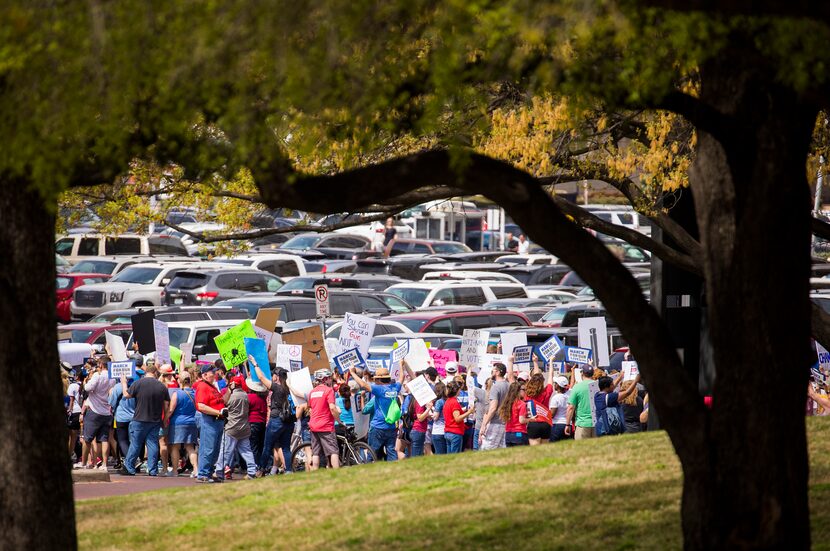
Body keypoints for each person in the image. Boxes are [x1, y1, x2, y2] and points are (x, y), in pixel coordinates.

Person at [350, 361, 413, 462]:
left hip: (378, 427)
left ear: (379, 379)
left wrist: (352, 373)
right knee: (391, 452)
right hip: (392, 427)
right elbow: (401, 378)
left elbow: (362, 384)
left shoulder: (379, 389)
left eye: (376, 380)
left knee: (372, 452)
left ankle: (368, 474)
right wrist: (401, 366)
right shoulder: (395, 388)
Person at [118, 365, 170, 476]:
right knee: (152, 444)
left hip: (139, 418)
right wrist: (165, 419)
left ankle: (129, 467)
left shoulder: (138, 383)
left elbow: (126, 395)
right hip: (155, 420)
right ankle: (153, 469)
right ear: (155, 373)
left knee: (136, 444)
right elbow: (166, 405)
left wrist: (123, 383)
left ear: (146, 373)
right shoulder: (162, 386)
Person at [252, 359, 294, 476]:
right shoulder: (289, 389)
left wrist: (255, 364)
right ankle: (289, 471)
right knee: (286, 448)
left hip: (276, 420)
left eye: (274, 375)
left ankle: (260, 470)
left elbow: (261, 378)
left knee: (267, 446)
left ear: (277, 377)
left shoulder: (277, 388)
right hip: (289, 421)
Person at [292, 369, 340, 471]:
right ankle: (337, 472)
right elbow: (332, 407)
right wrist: (339, 421)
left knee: (316, 452)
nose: (331, 380)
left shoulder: (312, 392)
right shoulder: (329, 390)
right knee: (333, 451)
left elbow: (310, 407)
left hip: (314, 425)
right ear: (325, 379)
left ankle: (315, 473)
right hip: (326, 425)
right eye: (330, 378)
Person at [216, 375, 258, 480]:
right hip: (244, 427)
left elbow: (224, 402)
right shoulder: (245, 395)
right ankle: (252, 471)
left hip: (232, 427)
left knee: (226, 451)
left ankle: (219, 471)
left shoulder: (233, 396)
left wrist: (229, 390)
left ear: (233, 384)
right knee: (247, 451)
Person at [193, 364, 228, 482]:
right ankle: (203, 473)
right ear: (204, 375)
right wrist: (218, 412)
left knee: (215, 449)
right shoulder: (203, 386)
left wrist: (229, 390)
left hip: (216, 420)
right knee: (208, 448)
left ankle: (209, 472)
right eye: (212, 372)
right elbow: (201, 406)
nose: (215, 374)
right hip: (209, 420)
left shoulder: (212, 386)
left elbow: (223, 400)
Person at [80, 356, 116, 470]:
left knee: (87, 439)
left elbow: (87, 388)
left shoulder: (98, 375)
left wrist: (86, 382)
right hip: (106, 412)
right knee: (104, 439)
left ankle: (84, 463)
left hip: (94, 411)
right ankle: (104, 464)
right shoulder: (113, 378)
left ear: (101, 364)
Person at [167, 371, 198, 477]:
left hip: (178, 422)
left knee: (175, 446)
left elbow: (171, 409)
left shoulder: (177, 393)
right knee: (190, 447)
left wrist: (165, 420)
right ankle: (196, 469)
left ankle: (175, 470)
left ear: (180, 380)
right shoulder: (195, 393)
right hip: (192, 422)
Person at [595, 372, 641, 437]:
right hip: (607, 430)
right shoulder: (609, 397)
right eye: (612, 384)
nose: (614, 386)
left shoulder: (597, 395)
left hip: (601, 429)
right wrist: (636, 380)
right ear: (606, 387)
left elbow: (611, 387)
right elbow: (627, 393)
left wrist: (620, 378)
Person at [523, 358, 554, 446]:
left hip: (533, 423)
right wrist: (551, 362)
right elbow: (551, 376)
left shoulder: (527, 394)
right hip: (546, 423)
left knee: (534, 451)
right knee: (545, 450)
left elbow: (536, 377)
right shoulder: (547, 391)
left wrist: (535, 362)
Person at [478, 362, 509, 450]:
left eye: (493, 370)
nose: (491, 372)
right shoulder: (508, 385)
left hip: (496, 422)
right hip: (505, 423)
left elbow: (493, 408)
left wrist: (484, 424)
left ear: (498, 372)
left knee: (486, 450)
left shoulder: (495, 387)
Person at [566, 365, 596, 439]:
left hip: (582, 424)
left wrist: (567, 424)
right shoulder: (598, 385)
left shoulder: (577, 387)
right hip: (597, 423)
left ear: (582, 373)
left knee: (582, 449)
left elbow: (571, 407)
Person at [443, 381, 474, 453]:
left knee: (449, 458)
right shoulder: (454, 402)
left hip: (448, 432)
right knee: (455, 457)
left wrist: (466, 410)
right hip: (455, 432)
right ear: (457, 390)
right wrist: (469, 412)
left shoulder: (448, 401)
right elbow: (457, 418)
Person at [246, 376, 268, 472]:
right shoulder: (263, 398)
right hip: (261, 423)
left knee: (253, 446)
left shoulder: (249, 397)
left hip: (252, 423)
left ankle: (255, 466)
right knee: (260, 445)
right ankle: (261, 465)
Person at [499, 381, 528, 446]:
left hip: (508, 434)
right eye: (523, 390)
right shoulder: (521, 404)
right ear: (518, 391)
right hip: (519, 433)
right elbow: (521, 420)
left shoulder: (507, 403)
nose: (525, 391)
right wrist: (531, 419)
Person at [66, 370, 84, 464]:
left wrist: (69, 410)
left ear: (77, 377)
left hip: (74, 412)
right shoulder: (85, 384)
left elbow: (71, 400)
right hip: (83, 412)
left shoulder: (72, 386)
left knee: (70, 437)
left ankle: (69, 455)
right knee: (76, 437)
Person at [549, 376, 571, 442]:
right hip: (567, 423)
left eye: (555, 383)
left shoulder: (556, 398)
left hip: (557, 424)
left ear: (558, 385)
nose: (554, 384)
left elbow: (552, 414)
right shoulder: (569, 395)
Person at [430, 381, 447, 454]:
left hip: (438, 430)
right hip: (446, 430)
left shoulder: (439, 402)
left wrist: (429, 411)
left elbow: (435, 417)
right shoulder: (447, 400)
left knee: (440, 455)